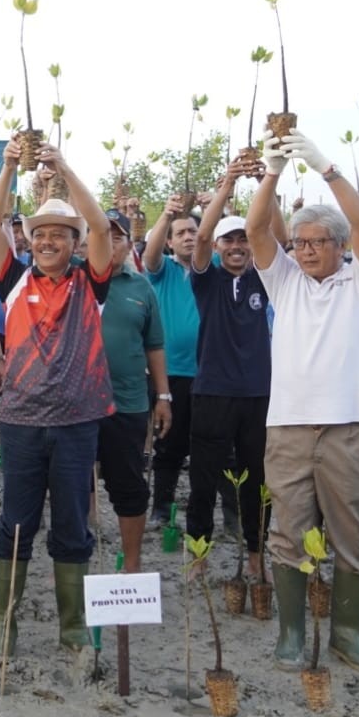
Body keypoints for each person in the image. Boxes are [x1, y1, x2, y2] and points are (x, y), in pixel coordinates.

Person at [247, 131, 359, 674]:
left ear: (338, 246)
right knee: (288, 531)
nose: (304, 250)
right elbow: (259, 228)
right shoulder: (285, 283)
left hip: (351, 429)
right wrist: (273, 170)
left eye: (316, 243)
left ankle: (347, 635)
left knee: (351, 533)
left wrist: (324, 165)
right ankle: (290, 635)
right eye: (300, 242)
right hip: (287, 429)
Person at [0, 140, 114, 665]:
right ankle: (4, 631)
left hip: (79, 422)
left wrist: (65, 169)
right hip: (21, 422)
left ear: (74, 244)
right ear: (29, 241)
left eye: (60, 234)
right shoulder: (12, 280)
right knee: (16, 522)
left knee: (73, 525)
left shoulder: (89, 281)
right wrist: (9, 165)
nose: (49, 241)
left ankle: (73, 629)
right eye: (40, 234)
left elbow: (101, 227)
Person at [185, 163, 273, 580]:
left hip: (259, 395)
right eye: (230, 240)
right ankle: (199, 555)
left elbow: (280, 236)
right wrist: (228, 184)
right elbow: (200, 236)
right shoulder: (208, 280)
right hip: (213, 392)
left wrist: (263, 183)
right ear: (219, 247)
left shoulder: (266, 279)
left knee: (258, 480)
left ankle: (257, 556)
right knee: (203, 478)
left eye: (244, 239)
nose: (237, 246)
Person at [97, 208, 171, 574]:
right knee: (72, 483)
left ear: (129, 244)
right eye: (102, 234)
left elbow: (154, 345)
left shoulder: (141, 286)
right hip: (76, 404)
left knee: (128, 484)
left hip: (126, 402)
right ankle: (78, 558)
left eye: (117, 236)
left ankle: (132, 563)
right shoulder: (75, 277)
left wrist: (163, 396)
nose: (109, 242)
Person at [141, 193, 203, 528]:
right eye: (180, 233)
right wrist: (165, 214)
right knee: (168, 444)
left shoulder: (214, 268)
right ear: (169, 241)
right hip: (171, 374)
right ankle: (161, 508)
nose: (189, 237)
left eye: (193, 231)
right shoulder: (161, 270)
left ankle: (216, 513)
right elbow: (149, 256)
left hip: (209, 373)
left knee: (211, 446)